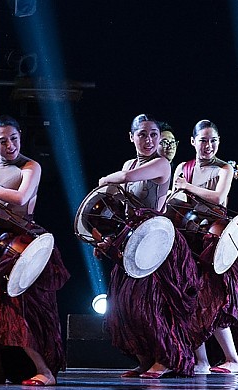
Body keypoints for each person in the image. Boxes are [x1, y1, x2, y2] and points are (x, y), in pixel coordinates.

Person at [0, 115, 69, 386]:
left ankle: (45, 371)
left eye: (14, 138)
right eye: (2, 141)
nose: (10, 145)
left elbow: (21, 196)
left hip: (24, 244)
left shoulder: (31, 166)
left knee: (21, 311)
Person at [99, 113, 203, 379]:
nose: (149, 140)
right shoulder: (130, 163)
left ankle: (166, 359)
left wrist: (105, 180)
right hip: (133, 240)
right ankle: (144, 359)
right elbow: (118, 199)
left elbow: (123, 178)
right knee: (124, 304)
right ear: (131, 137)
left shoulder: (161, 163)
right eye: (142, 134)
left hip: (158, 241)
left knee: (152, 303)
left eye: (154, 135)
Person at [170, 120, 238, 375]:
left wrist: (187, 187)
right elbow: (176, 201)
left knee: (212, 300)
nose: (208, 145)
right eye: (203, 140)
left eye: (213, 140)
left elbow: (218, 198)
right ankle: (202, 361)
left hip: (212, 242)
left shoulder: (225, 168)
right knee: (188, 298)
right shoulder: (183, 168)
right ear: (192, 141)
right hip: (187, 238)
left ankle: (233, 359)